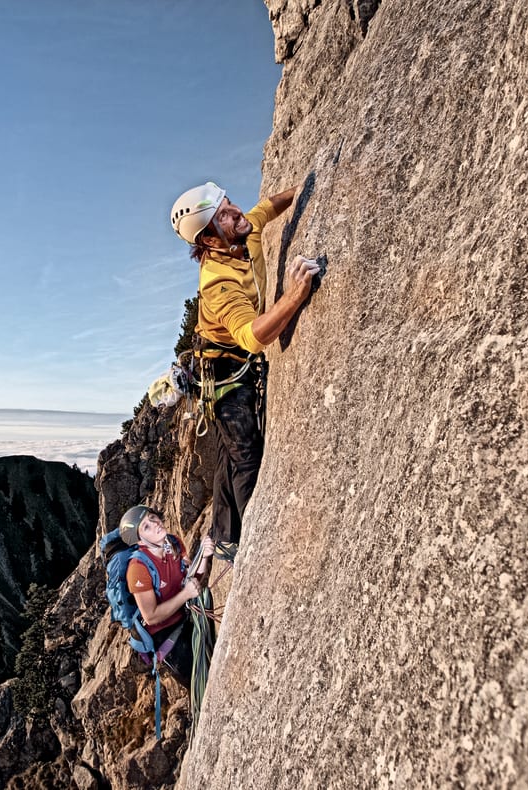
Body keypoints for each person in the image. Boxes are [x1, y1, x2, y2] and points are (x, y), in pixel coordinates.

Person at [170, 181, 319, 553]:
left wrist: (303, 187)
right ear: (208, 239)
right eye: (222, 214)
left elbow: (267, 208)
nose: (236, 212)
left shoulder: (241, 233)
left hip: (224, 362)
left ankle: (223, 535)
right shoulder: (218, 283)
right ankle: (254, 546)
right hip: (223, 374)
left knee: (227, 452)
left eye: (229, 203)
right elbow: (251, 337)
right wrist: (295, 295)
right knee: (245, 454)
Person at [119, 505, 214, 689]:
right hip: (165, 635)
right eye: (146, 526)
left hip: (184, 617)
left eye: (152, 517)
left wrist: (204, 556)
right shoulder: (138, 568)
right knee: (201, 684)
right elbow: (151, 616)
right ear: (140, 541)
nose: (155, 524)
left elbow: (192, 581)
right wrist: (185, 594)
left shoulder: (174, 544)